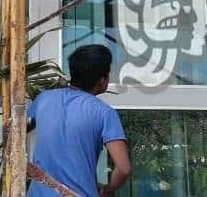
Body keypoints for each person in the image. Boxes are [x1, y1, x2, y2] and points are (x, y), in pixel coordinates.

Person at [27, 44, 132, 196]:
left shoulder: (44, 99)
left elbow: (18, 129)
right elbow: (123, 168)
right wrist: (107, 190)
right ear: (102, 81)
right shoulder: (104, 113)